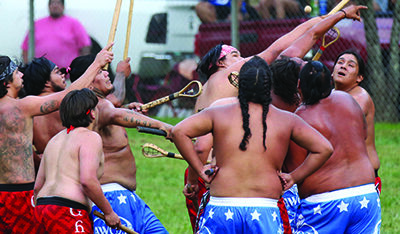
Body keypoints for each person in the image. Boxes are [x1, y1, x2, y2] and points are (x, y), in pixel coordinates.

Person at [172, 56, 333, 233]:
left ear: (240, 84)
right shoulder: (287, 119)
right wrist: (294, 177)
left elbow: (179, 132)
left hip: (222, 206)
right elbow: (324, 148)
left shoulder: (218, 112)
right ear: (269, 86)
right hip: (265, 208)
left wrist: (200, 171)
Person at [0, 44, 112, 233]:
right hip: (21, 194)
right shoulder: (22, 107)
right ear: (6, 83)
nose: (21, 75)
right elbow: (66, 97)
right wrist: (96, 65)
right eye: (17, 72)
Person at [69, 54, 171, 234]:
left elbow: (115, 108)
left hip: (128, 199)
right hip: (112, 198)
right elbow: (114, 112)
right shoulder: (98, 107)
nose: (107, 74)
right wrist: (161, 125)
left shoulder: (102, 106)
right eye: (101, 71)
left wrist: (125, 109)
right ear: (89, 82)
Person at [284, 61, 381, 233]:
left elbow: (296, 170)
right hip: (366, 194)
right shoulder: (349, 100)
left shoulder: (299, 118)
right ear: (329, 82)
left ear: (299, 85)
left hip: (325, 203)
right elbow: (363, 136)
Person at [20, 56, 131, 172]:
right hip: (74, 172)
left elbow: (26, 148)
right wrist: (120, 74)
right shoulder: (68, 103)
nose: (63, 75)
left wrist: (42, 164)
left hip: (49, 173)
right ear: (46, 82)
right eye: (57, 72)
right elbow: (112, 103)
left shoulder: (29, 111)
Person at [34, 88, 120, 233]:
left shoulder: (54, 140)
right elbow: (87, 181)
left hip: (42, 209)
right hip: (68, 210)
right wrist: (109, 212)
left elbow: (37, 187)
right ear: (92, 113)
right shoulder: (90, 137)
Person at [332, 49, 381, 194]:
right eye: (340, 62)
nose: (343, 66)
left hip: (363, 179)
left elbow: (338, 124)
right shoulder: (332, 95)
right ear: (332, 72)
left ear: (359, 78)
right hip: (342, 174)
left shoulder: (360, 96)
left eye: (350, 65)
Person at [21, 0, 91, 69]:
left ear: (63, 6)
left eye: (58, 3)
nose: (55, 6)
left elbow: (85, 47)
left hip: (67, 76)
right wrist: (28, 69)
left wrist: (82, 67)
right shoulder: (37, 24)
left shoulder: (74, 23)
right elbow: (25, 48)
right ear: (48, 6)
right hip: (40, 75)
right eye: (52, 3)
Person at [195, 0, 260, 23]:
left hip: (236, 10)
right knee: (199, 7)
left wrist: (234, 13)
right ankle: (217, 26)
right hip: (217, 12)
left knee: (238, 17)